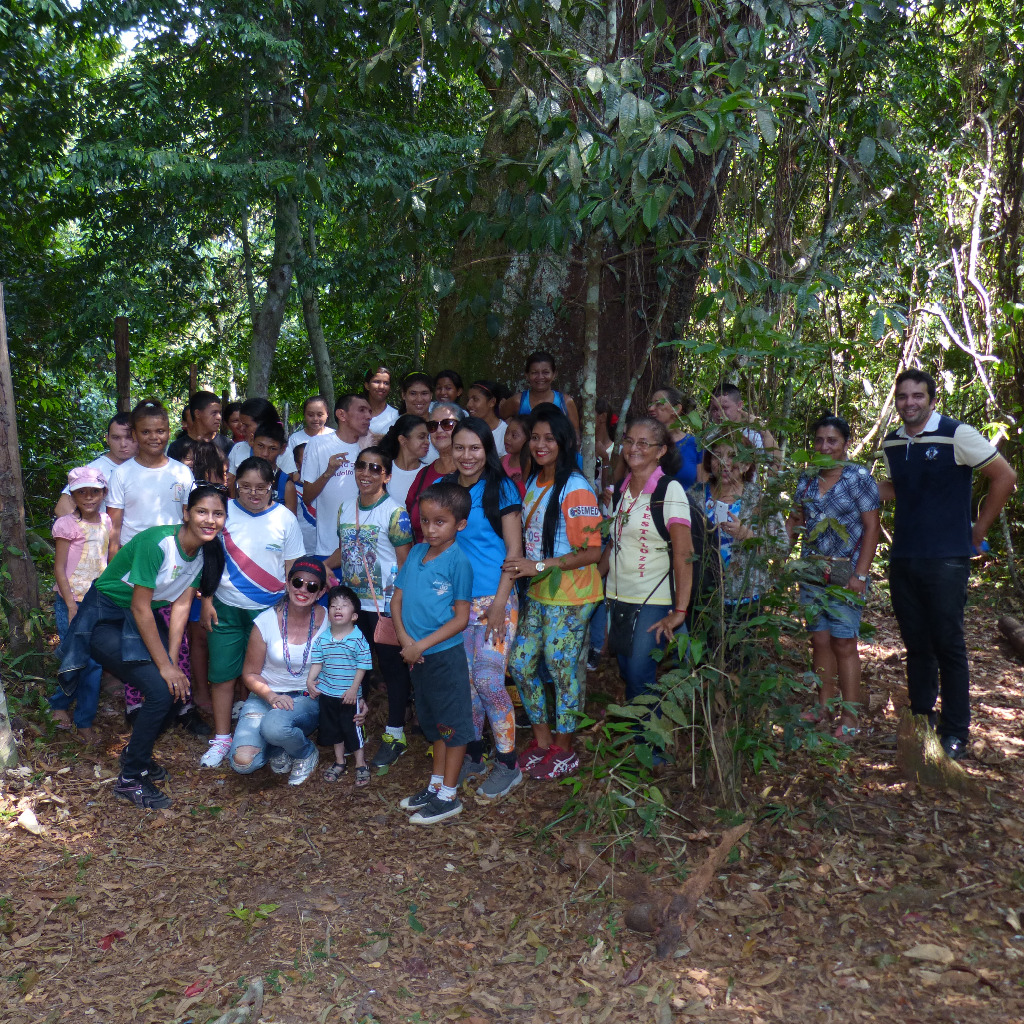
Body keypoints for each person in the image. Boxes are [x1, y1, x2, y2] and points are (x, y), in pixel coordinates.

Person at [57, 484, 227, 808]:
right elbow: (140, 607)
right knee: (160, 691)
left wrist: (174, 661)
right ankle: (130, 778)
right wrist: (164, 667)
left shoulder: (204, 551)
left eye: (217, 513)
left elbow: (180, 606)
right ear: (186, 514)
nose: (209, 520)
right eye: (202, 512)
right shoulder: (158, 542)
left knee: (170, 688)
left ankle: (136, 755)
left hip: (137, 618)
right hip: (104, 618)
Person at [878, 369, 1017, 760]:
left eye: (917, 396)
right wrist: (846, 484)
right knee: (917, 644)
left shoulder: (957, 434)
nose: (909, 403)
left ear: (932, 399)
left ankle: (956, 731)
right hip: (905, 555)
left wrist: (977, 532)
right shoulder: (893, 442)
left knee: (948, 644)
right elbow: (898, 489)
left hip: (946, 559)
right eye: (903, 396)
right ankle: (922, 721)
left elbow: (1004, 477)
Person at [504, 406, 603, 780]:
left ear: (564, 442)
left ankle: (564, 748)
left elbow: (593, 551)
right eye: (535, 438)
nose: (540, 445)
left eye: (549, 438)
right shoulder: (535, 480)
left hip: (573, 596)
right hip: (541, 594)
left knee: (562, 671)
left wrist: (540, 566)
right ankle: (543, 741)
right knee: (522, 663)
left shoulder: (575, 487)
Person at [199, 456, 305, 767]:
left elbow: (292, 571)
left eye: (261, 487)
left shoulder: (285, 518)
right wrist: (206, 599)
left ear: (273, 486)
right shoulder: (223, 512)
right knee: (221, 675)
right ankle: (221, 738)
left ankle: (266, 735)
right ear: (234, 485)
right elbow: (208, 558)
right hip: (225, 608)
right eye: (245, 487)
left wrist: (289, 611)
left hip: (269, 611)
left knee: (266, 675)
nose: (253, 493)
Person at [601, 417, 693, 756]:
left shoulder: (669, 491)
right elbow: (614, 545)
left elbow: (684, 554)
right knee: (627, 669)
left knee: (640, 674)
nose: (634, 449)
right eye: (629, 441)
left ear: (661, 451)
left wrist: (679, 611)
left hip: (653, 599)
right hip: (617, 598)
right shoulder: (622, 489)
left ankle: (651, 751)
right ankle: (641, 741)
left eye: (644, 443)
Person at [786, 415, 880, 739]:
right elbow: (796, 521)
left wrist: (861, 575)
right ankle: (823, 705)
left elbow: (872, 528)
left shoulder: (858, 478)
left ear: (845, 445)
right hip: (812, 567)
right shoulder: (807, 478)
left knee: (844, 641)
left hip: (845, 568)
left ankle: (851, 718)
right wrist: (782, 562)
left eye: (832, 441)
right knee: (820, 638)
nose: (825, 446)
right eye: (819, 440)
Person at [448, 417, 524, 799]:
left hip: (497, 599)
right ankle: (475, 755)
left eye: (474, 448)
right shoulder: (444, 489)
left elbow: (514, 553)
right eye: (459, 447)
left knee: (490, 679)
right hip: (457, 604)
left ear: (486, 450)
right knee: (466, 683)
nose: (467, 456)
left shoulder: (501, 487)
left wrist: (498, 603)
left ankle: (509, 764)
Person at [324, 446, 414, 768]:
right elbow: (343, 552)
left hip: (385, 606)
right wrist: (321, 567)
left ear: (387, 476)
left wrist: (400, 606)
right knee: (351, 668)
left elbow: (407, 565)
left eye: (376, 468)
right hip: (352, 606)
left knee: (392, 668)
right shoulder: (346, 508)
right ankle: (352, 730)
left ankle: (395, 733)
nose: (366, 473)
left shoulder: (395, 513)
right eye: (362, 466)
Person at [392, 482, 474, 824]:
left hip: (443, 657)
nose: (430, 528)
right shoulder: (414, 554)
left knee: (453, 727)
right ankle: (436, 784)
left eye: (440, 521)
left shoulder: (459, 562)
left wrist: (420, 646)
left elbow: (461, 618)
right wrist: (406, 642)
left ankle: (450, 795)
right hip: (417, 656)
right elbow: (397, 600)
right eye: (425, 521)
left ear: (460, 524)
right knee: (436, 725)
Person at [229, 558, 331, 784]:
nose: (303, 589)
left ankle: (304, 752)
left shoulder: (330, 621)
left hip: (306, 696)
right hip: (266, 695)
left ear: (321, 591)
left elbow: (346, 662)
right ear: (287, 583)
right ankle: (277, 748)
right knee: (242, 763)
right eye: (298, 582)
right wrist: (271, 696)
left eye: (312, 586)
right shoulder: (265, 622)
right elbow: (250, 673)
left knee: (274, 726)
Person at [49, 467, 114, 743]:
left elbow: (106, 561)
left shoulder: (107, 522)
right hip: (70, 601)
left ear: (103, 493)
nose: (89, 497)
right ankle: (63, 708)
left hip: (95, 602)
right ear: (73, 495)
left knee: (94, 661)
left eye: (94, 491)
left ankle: (77, 716)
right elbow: (59, 569)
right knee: (77, 659)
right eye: (82, 492)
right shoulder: (66, 525)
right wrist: (70, 604)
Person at [702, 433, 789, 628]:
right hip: (703, 595)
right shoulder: (695, 495)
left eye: (733, 455)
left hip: (746, 596)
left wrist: (748, 536)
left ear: (747, 464)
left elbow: (782, 547)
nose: (723, 462)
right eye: (717, 454)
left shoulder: (759, 498)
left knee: (741, 654)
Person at [106, 399, 195, 557]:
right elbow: (114, 529)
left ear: (168, 432)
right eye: (146, 432)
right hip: (133, 556)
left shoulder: (182, 472)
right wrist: (113, 569)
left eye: (160, 431)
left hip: (173, 555)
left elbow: (189, 518)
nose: (154, 437)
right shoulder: (121, 474)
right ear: (134, 434)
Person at [306, 585, 373, 786]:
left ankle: (361, 764)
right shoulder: (323, 638)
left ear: (354, 616)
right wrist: (310, 680)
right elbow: (317, 662)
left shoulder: (358, 639)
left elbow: (363, 666)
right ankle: (339, 761)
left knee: (352, 728)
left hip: (348, 695)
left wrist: (354, 689)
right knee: (334, 729)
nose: (338, 609)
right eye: (334, 605)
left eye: (344, 606)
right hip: (327, 693)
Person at [300, 393, 372, 557]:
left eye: (369, 411)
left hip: (365, 547)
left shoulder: (370, 447)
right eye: (361, 410)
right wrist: (328, 472)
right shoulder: (318, 444)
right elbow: (307, 497)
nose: (368, 416)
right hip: (328, 547)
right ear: (341, 414)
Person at [54, 412, 138, 518]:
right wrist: (89, 531)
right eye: (116, 438)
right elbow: (62, 509)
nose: (123, 444)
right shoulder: (92, 471)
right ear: (107, 439)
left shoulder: (147, 467)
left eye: (129, 437)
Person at [405, 402, 464, 543]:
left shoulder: (471, 473)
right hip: (425, 560)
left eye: (447, 424)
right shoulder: (423, 475)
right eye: (433, 425)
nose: (439, 430)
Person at [500, 351, 581, 437]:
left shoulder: (565, 402)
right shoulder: (518, 401)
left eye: (545, 372)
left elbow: (575, 435)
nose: (540, 377)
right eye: (534, 373)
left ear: (554, 374)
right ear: (526, 375)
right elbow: (500, 422)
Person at [708, 382, 779, 470]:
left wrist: (763, 429)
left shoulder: (751, 436)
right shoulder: (711, 437)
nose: (719, 414)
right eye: (714, 409)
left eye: (724, 408)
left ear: (739, 405)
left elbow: (777, 465)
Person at [648, 386, 701, 489]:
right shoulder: (643, 443)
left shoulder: (695, 444)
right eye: (651, 404)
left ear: (676, 409)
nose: (651, 409)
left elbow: (702, 489)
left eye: (659, 404)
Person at [226, 397, 279, 493]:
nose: (241, 428)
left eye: (246, 425)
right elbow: (230, 481)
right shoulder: (238, 448)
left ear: (262, 424)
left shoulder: (281, 450)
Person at [380, 415, 430, 507]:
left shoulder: (429, 473)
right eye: (421, 437)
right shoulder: (383, 471)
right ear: (402, 440)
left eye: (428, 437)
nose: (427, 442)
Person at [168, 391, 231, 461]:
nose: (219, 417)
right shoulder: (176, 448)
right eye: (214, 413)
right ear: (197, 414)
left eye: (219, 413)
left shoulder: (227, 445)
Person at [279, 395, 332, 476]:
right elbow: (289, 466)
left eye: (320, 415)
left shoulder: (334, 436)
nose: (315, 419)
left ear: (327, 414)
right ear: (304, 414)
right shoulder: (295, 439)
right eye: (310, 415)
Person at [284, 442, 317, 555]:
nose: (313, 463)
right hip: (303, 550)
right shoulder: (291, 488)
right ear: (297, 466)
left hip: (326, 549)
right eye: (307, 460)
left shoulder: (328, 486)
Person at [465, 380, 508, 455]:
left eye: (475, 399)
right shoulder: (465, 429)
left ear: (492, 402)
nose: (469, 405)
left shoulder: (505, 433)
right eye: (468, 400)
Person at [251, 421, 289, 502]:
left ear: (282, 449)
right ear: (252, 441)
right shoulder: (242, 478)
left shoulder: (285, 484)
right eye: (260, 446)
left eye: (272, 448)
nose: (265, 454)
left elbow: (290, 514)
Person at [364, 367, 399, 437]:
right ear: (367, 385)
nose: (382, 387)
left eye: (386, 383)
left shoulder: (396, 416)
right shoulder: (356, 415)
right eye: (377, 382)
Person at [501, 414, 529, 497]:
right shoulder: (502, 460)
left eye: (514, 435)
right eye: (506, 433)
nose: (507, 438)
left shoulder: (528, 467)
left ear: (528, 438)